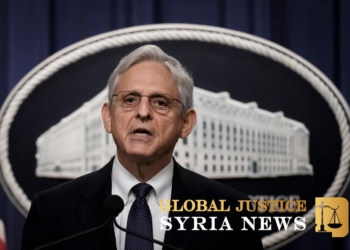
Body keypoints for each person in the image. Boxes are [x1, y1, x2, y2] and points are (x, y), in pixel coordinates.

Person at [22, 45, 263, 250]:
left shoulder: (232, 212)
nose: (143, 112)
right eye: (129, 100)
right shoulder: (52, 211)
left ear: (186, 123)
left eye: (160, 102)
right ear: (108, 117)